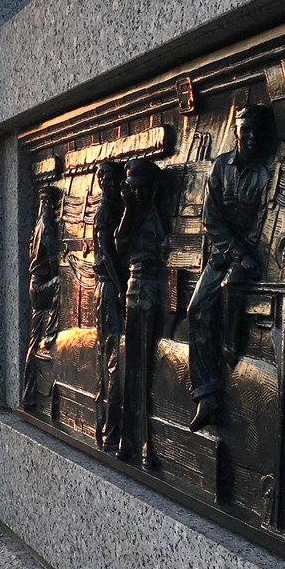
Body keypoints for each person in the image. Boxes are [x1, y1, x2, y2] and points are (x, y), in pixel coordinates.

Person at [187, 104, 273, 431]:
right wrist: (236, 251)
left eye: (256, 130)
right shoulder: (220, 167)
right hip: (223, 255)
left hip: (250, 258)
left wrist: (245, 253)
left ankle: (230, 347)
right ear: (236, 132)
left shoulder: (265, 175)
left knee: (231, 291)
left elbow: (263, 223)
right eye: (245, 129)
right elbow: (210, 220)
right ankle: (205, 395)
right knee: (196, 309)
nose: (250, 136)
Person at [114, 158, 168, 466]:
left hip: (152, 291)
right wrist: (128, 209)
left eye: (139, 189)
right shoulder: (133, 215)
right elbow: (120, 246)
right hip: (136, 291)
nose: (134, 195)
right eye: (131, 190)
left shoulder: (154, 213)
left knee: (145, 368)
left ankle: (146, 443)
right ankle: (130, 440)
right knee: (132, 368)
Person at [93, 161, 127, 451]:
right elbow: (107, 255)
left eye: (119, 180)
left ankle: (107, 428)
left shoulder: (117, 208)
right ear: (101, 182)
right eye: (110, 180)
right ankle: (108, 431)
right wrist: (121, 289)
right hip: (109, 290)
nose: (115, 185)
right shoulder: (106, 211)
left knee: (113, 360)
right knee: (114, 360)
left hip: (111, 288)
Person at [21, 186, 64, 409]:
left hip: (34, 284)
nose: (55, 209)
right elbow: (53, 261)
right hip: (42, 285)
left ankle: (28, 394)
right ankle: (52, 332)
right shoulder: (47, 226)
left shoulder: (37, 224)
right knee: (62, 283)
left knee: (32, 340)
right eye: (54, 205)